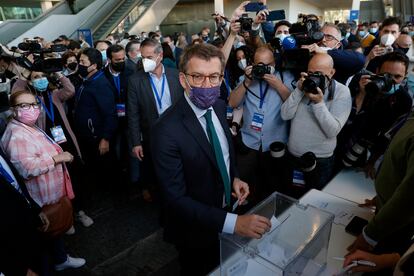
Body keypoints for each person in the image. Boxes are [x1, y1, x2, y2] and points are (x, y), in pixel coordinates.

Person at [151, 43, 271, 276]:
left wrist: (234, 177)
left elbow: (223, 153)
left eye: (214, 77)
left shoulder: (217, 105)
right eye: (198, 77)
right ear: (183, 80)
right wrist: (234, 223)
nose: (207, 85)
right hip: (194, 231)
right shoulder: (165, 130)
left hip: (227, 208)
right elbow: (175, 199)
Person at [1, 90, 86, 272]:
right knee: (45, 236)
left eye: (34, 104)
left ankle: (61, 258)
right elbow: (27, 168)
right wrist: (57, 158)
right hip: (39, 197)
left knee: (52, 233)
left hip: (48, 193)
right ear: (13, 110)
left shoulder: (28, 126)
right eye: (24, 105)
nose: (31, 109)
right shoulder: (16, 135)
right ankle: (54, 263)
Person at [229, 46, 294, 201]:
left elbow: (293, 105)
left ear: (275, 64)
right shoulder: (245, 79)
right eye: (260, 65)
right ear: (253, 64)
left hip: (276, 143)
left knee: (274, 186)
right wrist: (246, 82)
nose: (264, 69)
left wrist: (278, 85)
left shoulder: (285, 77)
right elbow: (232, 102)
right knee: (250, 187)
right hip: (249, 142)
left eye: (268, 65)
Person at [347, 111, 414, 260]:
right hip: (386, 214)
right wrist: (381, 197)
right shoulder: (410, 118)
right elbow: (401, 169)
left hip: (394, 226)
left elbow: (409, 199)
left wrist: (369, 235)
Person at [281, 54, 352, 193]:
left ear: (331, 73)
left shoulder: (341, 92)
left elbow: (332, 131)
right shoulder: (303, 86)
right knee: (290, 195)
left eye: (319, 74)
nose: (313, 77)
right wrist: (298, 90)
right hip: (293, 156)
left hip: (319, 162)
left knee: (313, 200)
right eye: (310, 73)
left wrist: (318, 103)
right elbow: (285, 115)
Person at [127, 38, 183, 202]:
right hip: (152, 133)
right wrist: (136, 142)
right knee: (154, 167)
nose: (145, 61)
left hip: (177, 131)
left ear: (160, 56)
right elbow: (133, 114)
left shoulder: (176, 75)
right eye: (142, 57)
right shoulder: (135, 80)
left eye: (149, 57)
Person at [74, 48, 118, 206]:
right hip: (88, 136)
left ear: (93, 65)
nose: (79, 65)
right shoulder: (87, 80)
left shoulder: (100, 84)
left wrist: (105, 138)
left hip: (98, 137)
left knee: (106, 169)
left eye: (82, 62)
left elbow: (110, 114)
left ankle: (112, 203)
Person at [0, 144, 46, 276]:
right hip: (12, 250)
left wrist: (35, 210)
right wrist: (18, 269)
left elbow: (16, 183)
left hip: (27, 227)